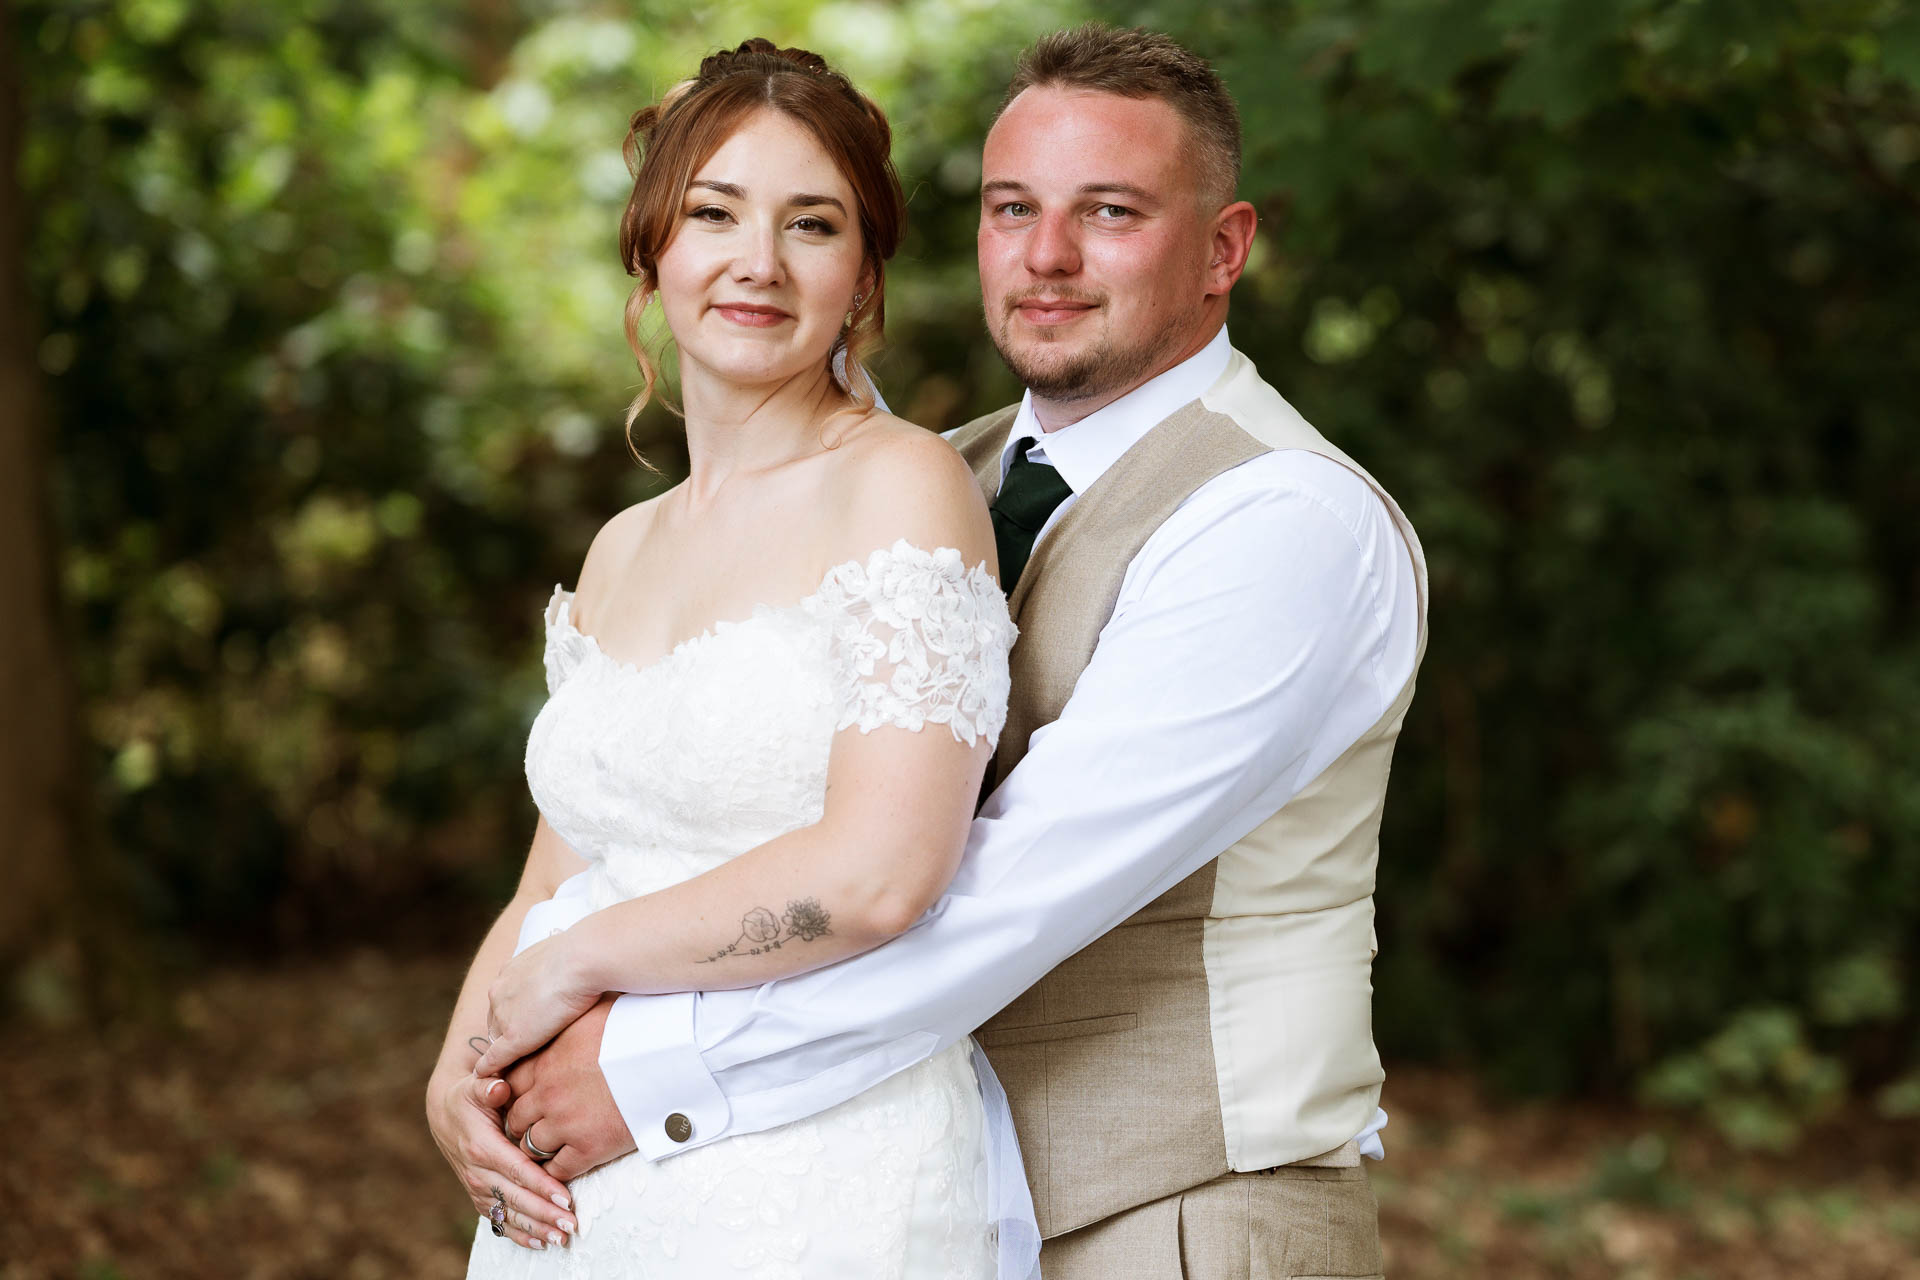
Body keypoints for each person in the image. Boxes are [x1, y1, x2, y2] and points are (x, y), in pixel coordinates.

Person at [491, 23, 1428, 1280]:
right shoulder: (952, 470)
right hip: (925, 1184)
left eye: (1109, 212)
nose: (1046, 255)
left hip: (1184, 1215)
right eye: (1010, 207)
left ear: (1224, 248)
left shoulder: (1282, 520)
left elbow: (1001, 891)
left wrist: (658, 1074)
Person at [424, 38, 1028, 1278]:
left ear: (861, 275)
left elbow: (881, 874)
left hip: (814, 1174)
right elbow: (564, 852)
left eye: (811, 224)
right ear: (656, 244)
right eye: (715, 212)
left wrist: (577, 962)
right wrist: (456, 1062)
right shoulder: (620, 546)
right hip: (577, 1199)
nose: (757, 261)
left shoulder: (902, 489)